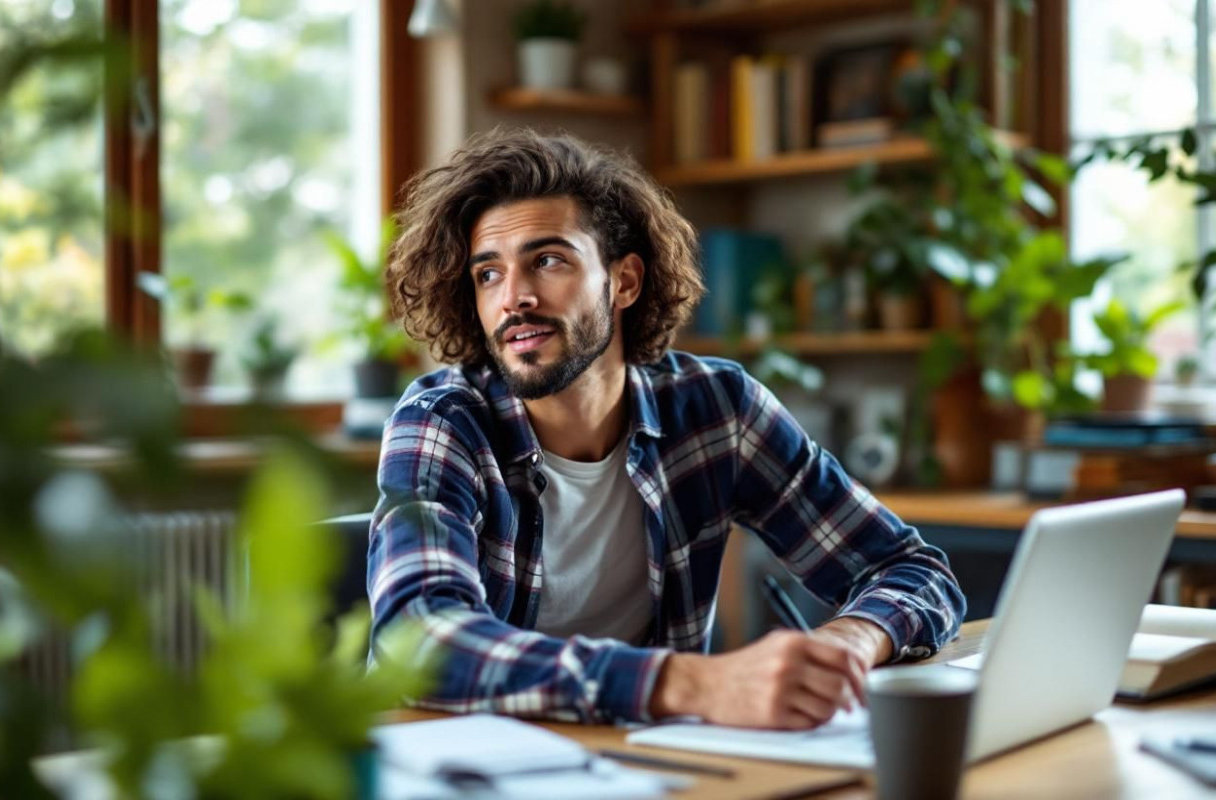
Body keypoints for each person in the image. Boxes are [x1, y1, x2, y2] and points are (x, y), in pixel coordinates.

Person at [370, 128, 965, 729]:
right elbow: (420, 642)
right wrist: (690, 683)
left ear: (624, 281)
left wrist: (850, 642)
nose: (514, 297)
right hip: (461, 765)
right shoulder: (443, 423)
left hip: (649, 763)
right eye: (488, 275)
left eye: (547, 261)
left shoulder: (716, 410)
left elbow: (911, 569)